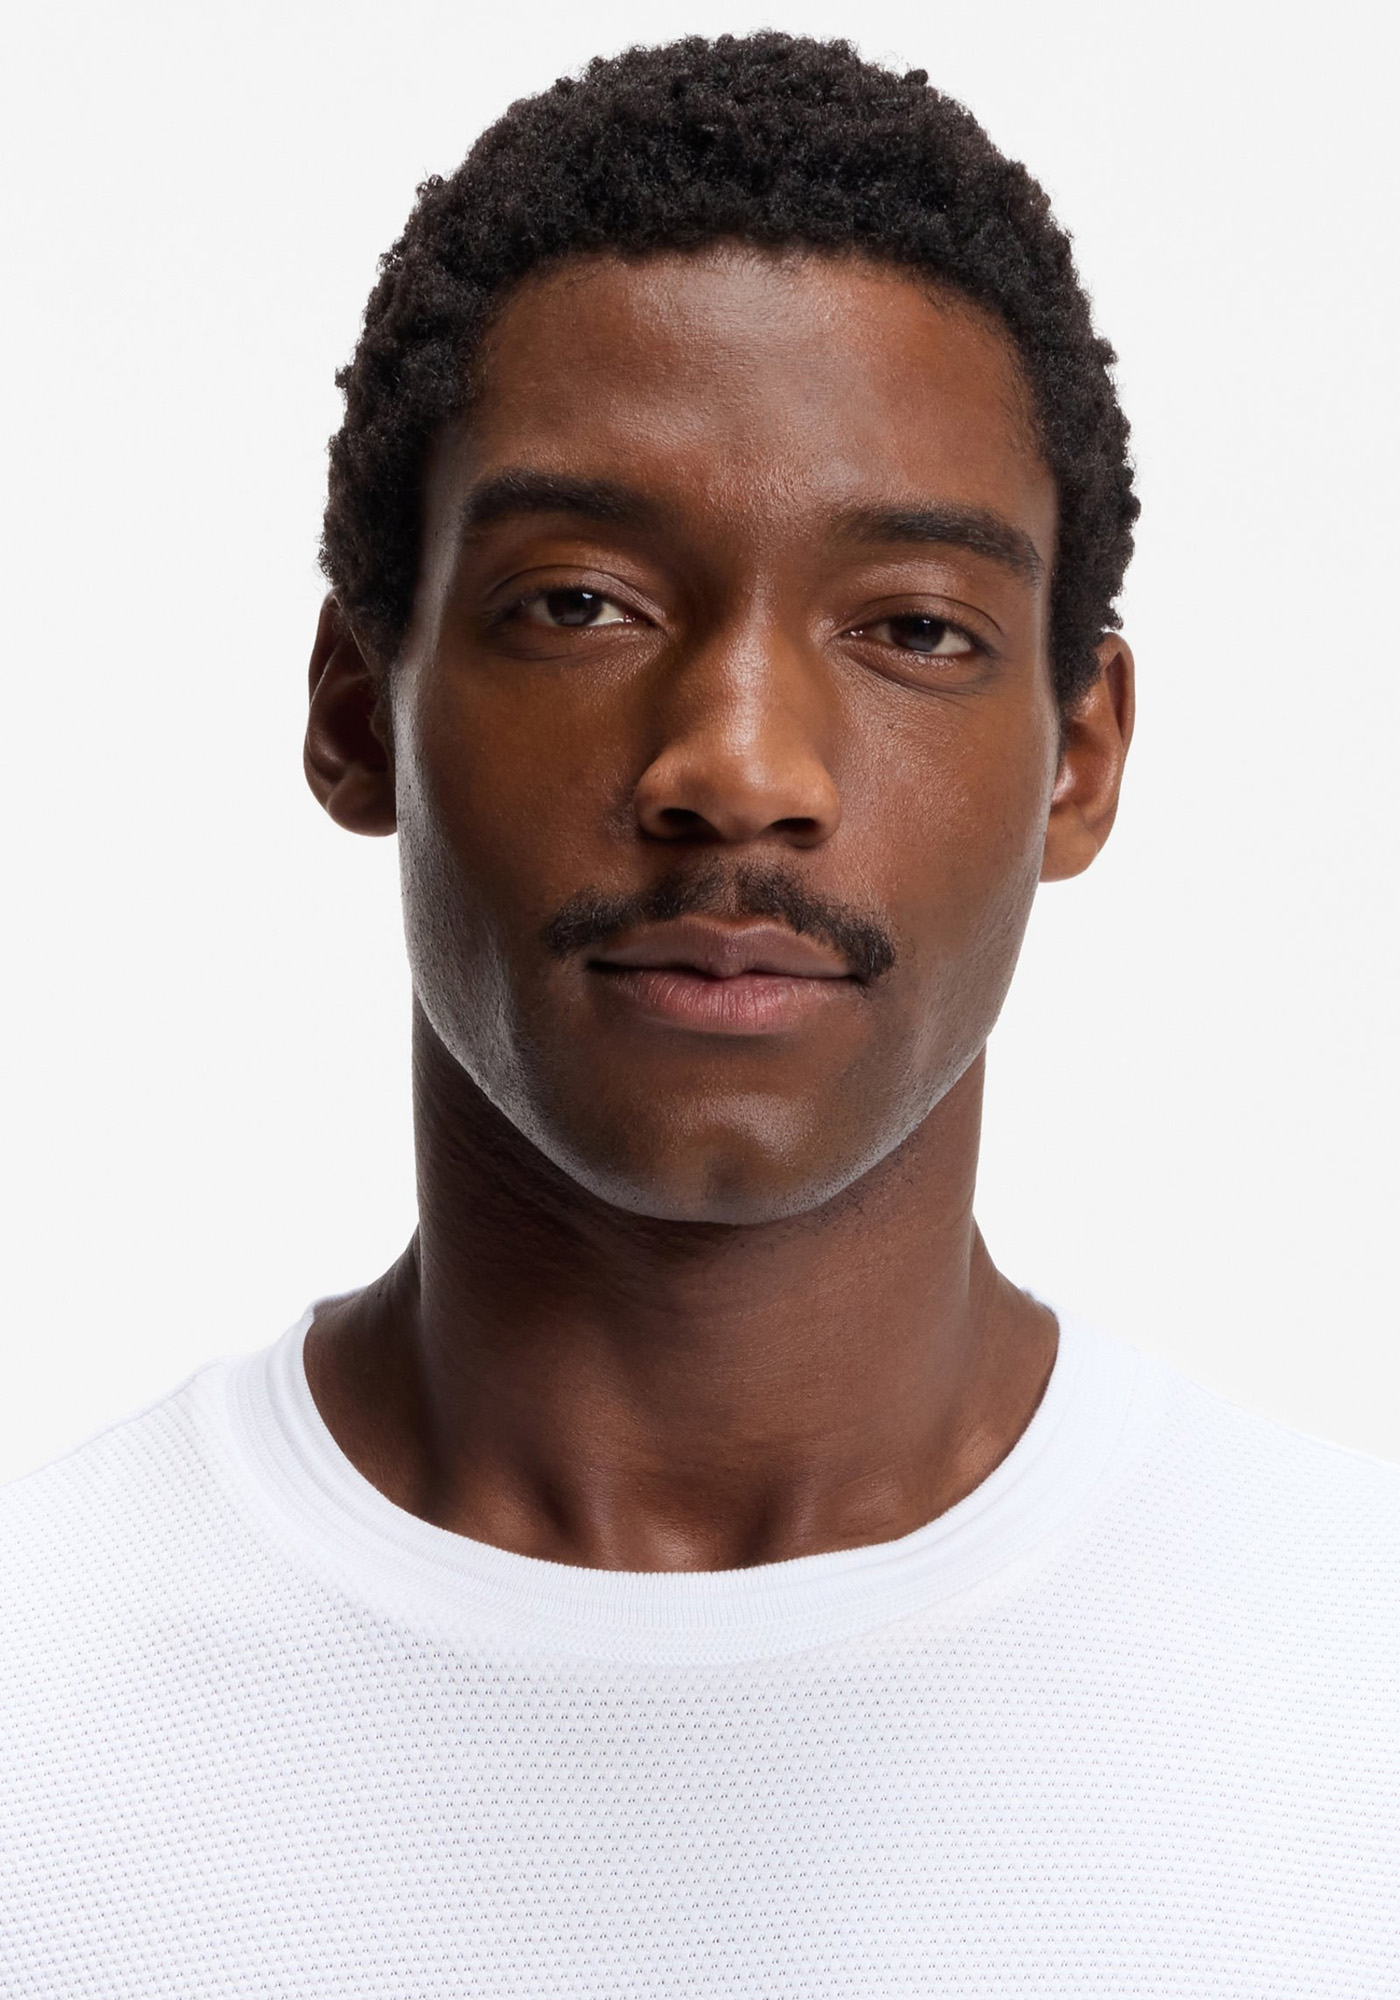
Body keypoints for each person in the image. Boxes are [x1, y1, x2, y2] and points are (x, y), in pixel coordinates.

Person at [2, 31, 1395, 1997]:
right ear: (354, 712)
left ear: (1078, 762)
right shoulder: (39, 1713)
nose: (738, 766)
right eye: (581, 602)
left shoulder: (1356, 1709)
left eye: (911, 627)